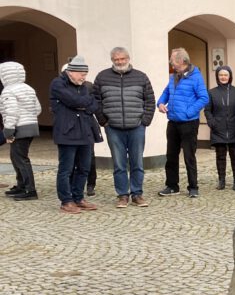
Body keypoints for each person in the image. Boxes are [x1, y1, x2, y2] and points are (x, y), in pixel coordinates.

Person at [93, 46, 155, 208]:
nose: (120, 62)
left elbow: (149, 100)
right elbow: (96, 101)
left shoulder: (141, 77)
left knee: (137, 163)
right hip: (113, 127)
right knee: (119, 164)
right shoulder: (102, 77)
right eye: (116, 59)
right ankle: (122, 195)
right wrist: (103, 121)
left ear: (128, 59)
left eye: (122, 59)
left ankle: (137, 194)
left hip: (136, 127)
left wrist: (145, 121)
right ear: (112, 60)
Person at [50, 56, 102, 213]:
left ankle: (78, 197)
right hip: (67, 132)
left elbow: (93, 105)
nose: (84, 78)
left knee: (84, 168)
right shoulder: (58, 84)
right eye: (81, 74)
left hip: (85, 132)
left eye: (85, 75)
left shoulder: (83, 86)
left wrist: (82, 103)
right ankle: (66, 201)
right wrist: (82, 103)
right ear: (71, 72)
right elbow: (74, 101)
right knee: (66, 169)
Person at [156, 48, 210, 198]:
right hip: (173, 122)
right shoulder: (174, 76)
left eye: (172, 60)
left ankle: (193, 187)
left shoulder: (196, 77)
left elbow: (204, 98)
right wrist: (160, 103)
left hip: (188, 123)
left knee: (189, 156)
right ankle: (172, 186)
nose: (170, 63)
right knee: (171, 156)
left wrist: (188, 112)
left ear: (181, 61)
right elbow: (166, 92)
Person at [0, 60, 42, 201]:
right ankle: (21, 185)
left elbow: (11, 112)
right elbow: (38, 109)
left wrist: (9, 130)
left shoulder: (8, 90)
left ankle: (30, 190)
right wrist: (28, 118)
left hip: (18, 127)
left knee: (21, 159)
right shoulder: (28, 88)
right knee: (16, 156)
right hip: (31, 125)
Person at [205, 65, 235, 191]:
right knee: (220, 156)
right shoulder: (211, 92)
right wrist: (212, 122)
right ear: (217, 76)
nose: (223, 77)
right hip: (218, 129)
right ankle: (221, 180)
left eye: (225, 75)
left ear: (230, 76)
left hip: (234, 128)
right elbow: (207, 110)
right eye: (221, 75)